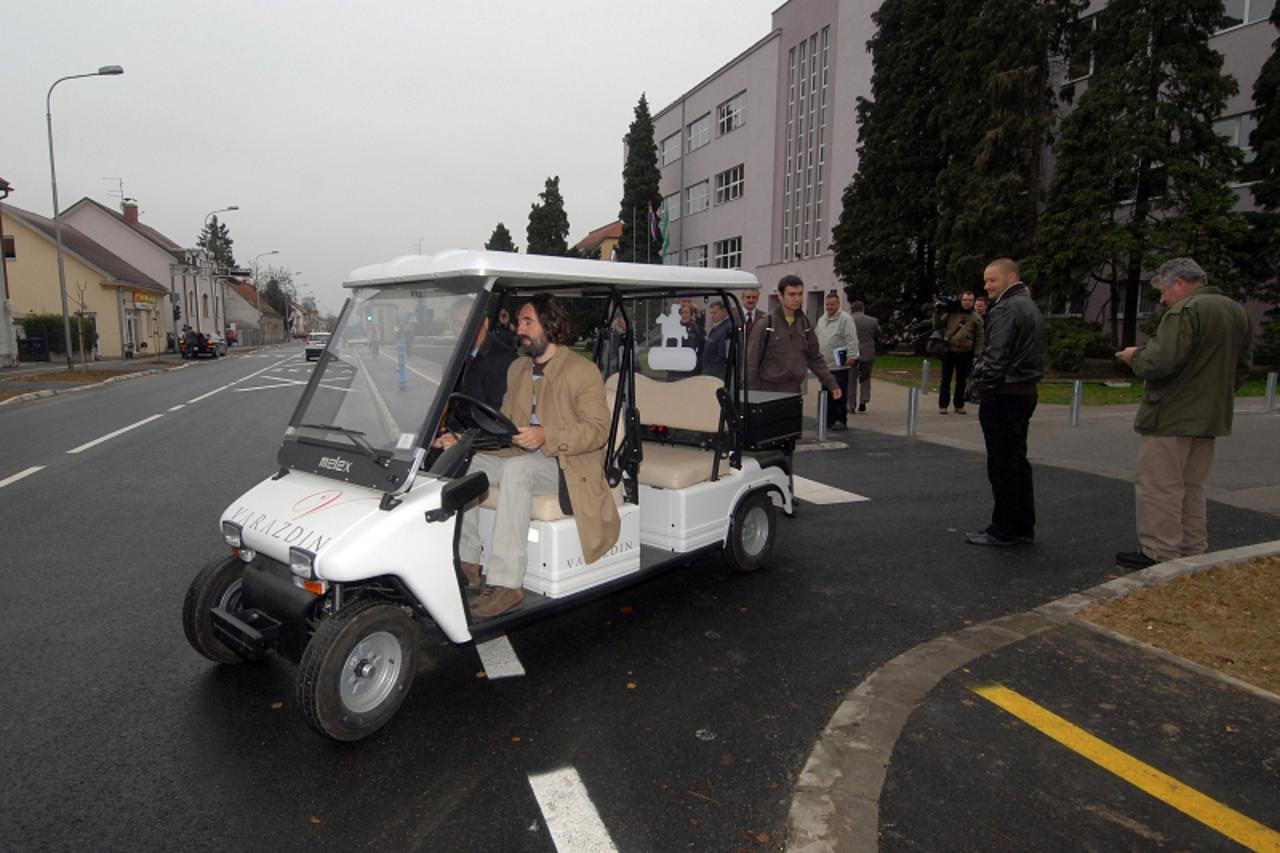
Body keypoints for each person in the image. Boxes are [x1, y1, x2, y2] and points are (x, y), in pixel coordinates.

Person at [445, 294, 621, 619]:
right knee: (465, 462)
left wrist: (546, 435)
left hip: (568, 465)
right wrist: (462, 439)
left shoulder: (582, 371)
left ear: (550, 326)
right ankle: (468, 562)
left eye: (528, 322)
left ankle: (506, 583)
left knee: (517, 471)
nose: (519, 328)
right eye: (519, 322)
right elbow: (505, 422)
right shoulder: (518, 369)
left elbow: (597, 431)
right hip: (524, 455)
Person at [1113, 258, 1252, 569]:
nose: (1162, 300)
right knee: (1192, 488)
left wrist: (1136, 356)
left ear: (1179, 283)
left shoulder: (1186, 311)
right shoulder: (1236, 312)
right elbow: (1243, 368)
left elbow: (1159, 362)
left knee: (1160, 485)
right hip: (1210, 416)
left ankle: (1159, 552)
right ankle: (1192, 549)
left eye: (1163, 291)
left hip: (1171, 414)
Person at [964, 258, 1046, 547]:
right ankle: (1022, 525)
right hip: (1024, 391)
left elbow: (994, 358)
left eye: (992, 280)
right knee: (1017, 461)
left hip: (1005, 393)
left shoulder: (1007, 309)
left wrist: (979, 390)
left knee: (1002, 464)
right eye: (985, 281)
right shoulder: (1028, 305)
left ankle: (1003, 528)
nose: (986, 287)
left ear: (1011, 277)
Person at [746, 275, 842, 407]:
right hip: (767, 393)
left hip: (794, 392)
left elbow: (814, 357)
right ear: (780, 296)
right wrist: (752, 397)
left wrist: (831, 383)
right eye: (791, 294)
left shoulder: (805, 323)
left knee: (791, 428)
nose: (797, 299)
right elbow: (751, 363)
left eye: (800, 294)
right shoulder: (765, 324)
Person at [448, 314, 517, 434]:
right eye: (458, 324)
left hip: (482, 437)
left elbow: (495, 417)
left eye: (470, 323)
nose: (464, 330)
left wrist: (460, 438)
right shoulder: (456, 356)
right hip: (457, 429)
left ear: (485, 323)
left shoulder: (504, 360)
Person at [933, 291, 984, 415]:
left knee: (962, 380)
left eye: (970, 300)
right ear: (961, 301)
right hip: (949, 350)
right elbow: (937, 325)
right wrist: (937, 311)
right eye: (965, 300)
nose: (967, 303)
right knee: (946, 379)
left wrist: (977, 355)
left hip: (966, 352)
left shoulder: (976, 317)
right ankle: (943, 405)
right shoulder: (951, 313)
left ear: (973, 302)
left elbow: (980, 337)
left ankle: (959, 405)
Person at [815, 291, 858, 430]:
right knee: (826, 392)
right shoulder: (822, 319)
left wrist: (852, 355)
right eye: (827, 304)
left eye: (832, 304)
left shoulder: (845, 319)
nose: (829, 307)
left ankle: (840, 419)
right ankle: (828, 418)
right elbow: (817, 337)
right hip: (825, 364)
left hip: (839, 364)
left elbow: (851, 338)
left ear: (838, 304)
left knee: (838, 392)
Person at [848, 301, 881, 413]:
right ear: (863, 308)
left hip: (852, 353)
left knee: (851, 379)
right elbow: (878, 334)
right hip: (868, 353)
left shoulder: (848, 320)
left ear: (852, 309)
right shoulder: (872, 321)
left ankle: (851, 404)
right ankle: (864, 400)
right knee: (865, 377)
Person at [702, 299, 732, 380]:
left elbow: (722, 356)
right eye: (711, 313)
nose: (712, 316)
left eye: (715, 313)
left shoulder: (727, 329)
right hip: (711, 373)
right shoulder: (717, 328)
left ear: (725, 311)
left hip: (717, 375)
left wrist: (709, 371)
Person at [677, 302, 705, 375]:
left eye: (686, 312)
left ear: (691, 314)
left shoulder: (697, 329)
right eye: (682, 313)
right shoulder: (674, 328)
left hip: (693, 367)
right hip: (677, 366)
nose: (684, 315)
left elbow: (701, 347)